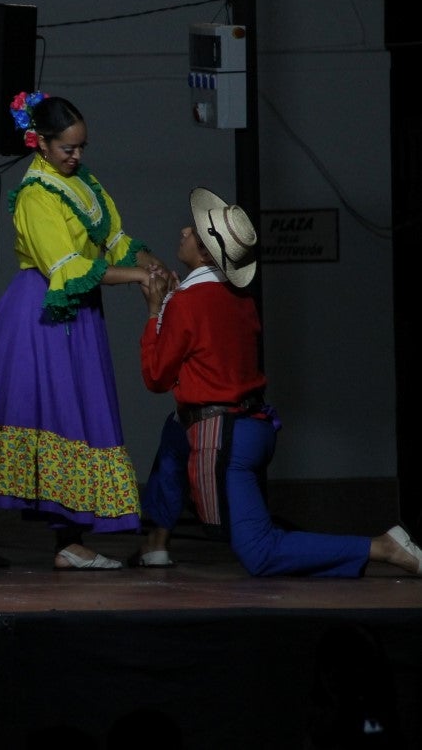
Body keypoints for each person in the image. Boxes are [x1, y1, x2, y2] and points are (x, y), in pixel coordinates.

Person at [0, 91, 173, 570]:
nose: (77, 155)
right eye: (67, 148)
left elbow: (116, 239)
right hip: (40, 313)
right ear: (40, 143)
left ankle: (68, 539)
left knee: (73, 417)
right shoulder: (36, 195)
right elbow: (66, 267)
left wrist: (154, 264)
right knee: (21, 414)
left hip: (78, 314)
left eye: (81, 147)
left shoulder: (80, 182)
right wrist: (140, 279)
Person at [129, 187, 422, 578]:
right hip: (254, 427)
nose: (183, 230)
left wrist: (154, 314)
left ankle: (382, 547)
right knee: (176, 432)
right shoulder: (240, 299)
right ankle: (156, 542)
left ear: (204, 254)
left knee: (259, 552)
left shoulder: (186, 304)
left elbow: (155, 378)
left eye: (194, 231)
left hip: (225, 437)